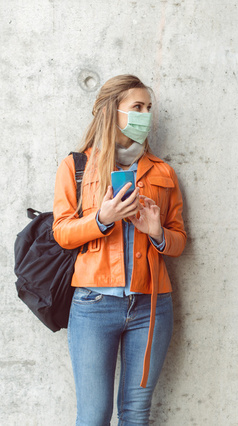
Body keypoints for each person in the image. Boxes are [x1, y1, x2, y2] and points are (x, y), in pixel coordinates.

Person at [53, 74, 187, 425]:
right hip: (94, 306)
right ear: (112, 112)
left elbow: (178, 241)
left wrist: (158, 233)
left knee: (136, 413)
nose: (146, 114)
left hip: (152, 306)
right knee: (94, 415)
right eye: (137, 107)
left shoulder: (163, 173)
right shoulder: (77, 167)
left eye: (149, 108)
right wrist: (102, 218)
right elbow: (62, 233)